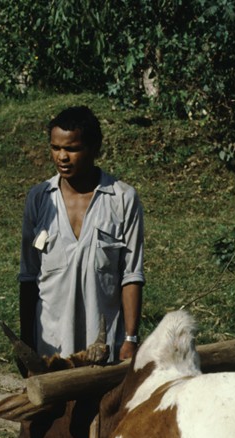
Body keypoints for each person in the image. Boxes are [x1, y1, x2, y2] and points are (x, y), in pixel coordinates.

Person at [19, 106, 144, 364]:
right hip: (51, 345)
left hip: (103, 347)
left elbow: (131, 275)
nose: (62, 157)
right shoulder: (39, 199)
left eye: (72, 149)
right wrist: (26, 341)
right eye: (55, 148)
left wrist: (130, 339)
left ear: (95, 148)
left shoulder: (122, 199)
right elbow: (29, 276)